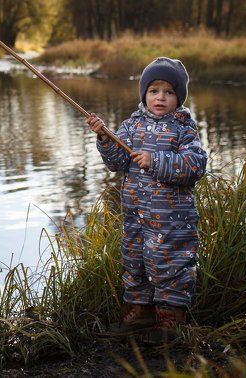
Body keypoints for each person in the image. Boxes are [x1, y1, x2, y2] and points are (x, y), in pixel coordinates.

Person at [86, 56, 207, 345]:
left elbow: (194, 166)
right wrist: (105, 138)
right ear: (144, 94)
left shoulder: (183, 128)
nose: (160, 97)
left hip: (171, 220)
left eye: (168, 92)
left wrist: (155, 160)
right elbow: (116, 162)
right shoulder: (130, 126)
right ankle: (140, 310)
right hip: (136, 215)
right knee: (135, 259)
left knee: (169, 263)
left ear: (178, 97)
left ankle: (170, 316)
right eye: (154, 91)